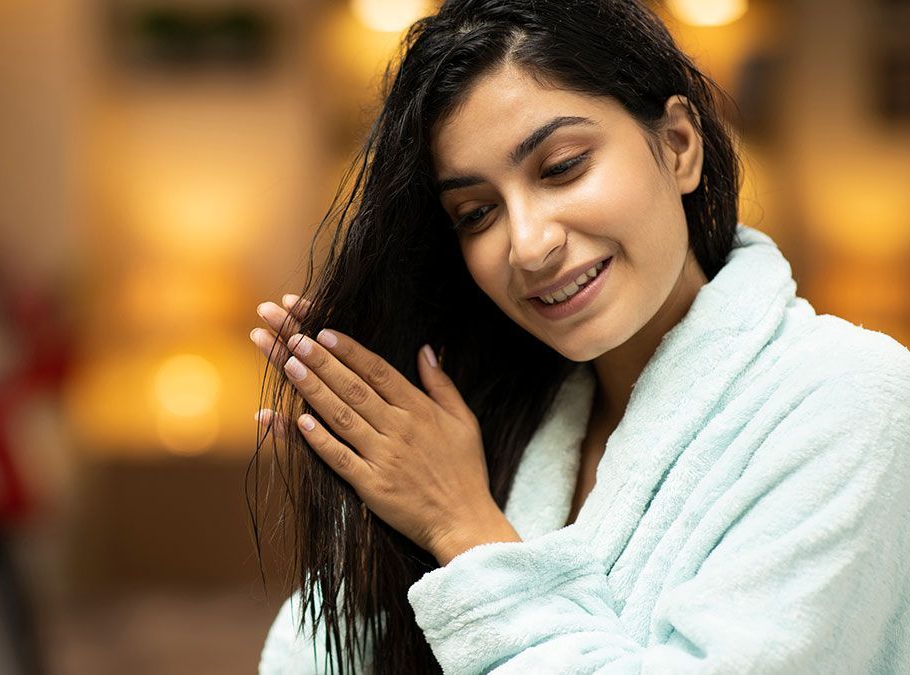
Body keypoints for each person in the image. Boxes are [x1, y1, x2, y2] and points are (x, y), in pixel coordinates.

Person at [246, 0, 910, 673]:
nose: (529, 246)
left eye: (562, 166)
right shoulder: (481, 414)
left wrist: (464, 528)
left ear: (679, 146)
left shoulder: (855, 398)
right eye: (476, 213)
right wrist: (375, 518)